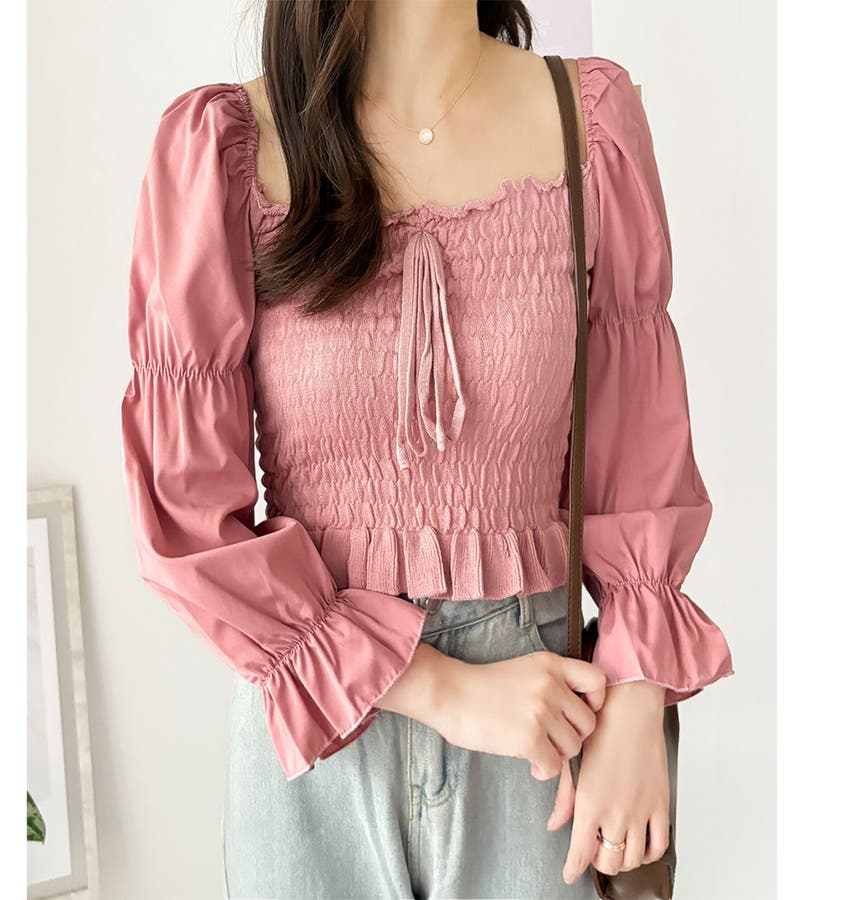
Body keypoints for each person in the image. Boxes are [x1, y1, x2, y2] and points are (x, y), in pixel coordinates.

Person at [119, 2, 734, 897]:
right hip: (316, 741)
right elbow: (188, 517)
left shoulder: (590, 122)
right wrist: (444, 690)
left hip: (544, 722)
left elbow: (639, 453)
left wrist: (638, 695)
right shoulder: (225, 148)